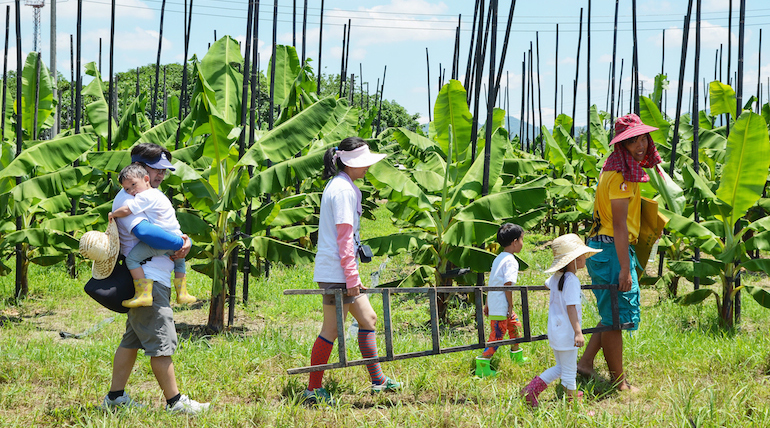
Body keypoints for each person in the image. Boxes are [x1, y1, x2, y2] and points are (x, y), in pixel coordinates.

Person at [101, 143, 210, 414]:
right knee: (162, 342)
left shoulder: (149, 195)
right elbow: (145, 233)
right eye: (157, 169)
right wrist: (179, 242)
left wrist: (184, 240)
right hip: (148, 279)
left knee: (132, 341)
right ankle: (176, 402)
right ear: (140, 168)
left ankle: (115, 398)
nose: (161, 175)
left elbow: (167, 227)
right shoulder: (127, 198)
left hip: (156, 275)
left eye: (164, 171)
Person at [303, 137, 401, 405]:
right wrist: (352, 279)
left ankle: (378, 381)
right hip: (338, 274)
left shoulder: (340, 185)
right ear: (348, 163)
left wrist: (353, 276)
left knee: (368, 319)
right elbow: (344, 240)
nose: (367, 168)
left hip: (341, 272)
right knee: (331, 330)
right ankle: (312, 390)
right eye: (363, 163)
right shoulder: (343, 191)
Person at [576, 113, 662, 392]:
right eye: (632, 141)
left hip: (607, 247)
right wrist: (625, 268)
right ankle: (619, 383)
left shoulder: (614, 170)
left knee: (611, 312)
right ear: (621, 145)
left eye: (642, 139)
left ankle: (586, 363)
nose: (640, 146)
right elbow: (621, 226)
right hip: (612, 248)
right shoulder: (621, 177)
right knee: (616, 318)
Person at [521, 233, 601, 407]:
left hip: (556, 330)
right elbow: (571, 307)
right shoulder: (571, 280)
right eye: (581, 256)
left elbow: (546, 283)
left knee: (561, 367)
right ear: (572, 260)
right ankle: (573, 407)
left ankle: (531, 390)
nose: (584, 259)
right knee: (569, 373)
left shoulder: (557, 276)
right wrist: (578, 332)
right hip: (567, 332)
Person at [109, 163, 196, 308]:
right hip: (175, 234)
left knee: (132, 260)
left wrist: (113, 214)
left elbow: (129, 214)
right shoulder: (158, 194)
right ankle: (182, 294)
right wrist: (183, 242)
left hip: (162, 242)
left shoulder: (145, 196)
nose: (131, 191)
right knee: (179, 261)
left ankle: (143, 294)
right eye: (127, 189)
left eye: (133, 185)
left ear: (146, 179)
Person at [475, 223, 528, 378]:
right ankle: (482, 364)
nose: (522, 243)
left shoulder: (499, 258)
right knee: (498, 335)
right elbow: (507, 284)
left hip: (496, 302)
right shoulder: (511, 260)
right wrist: (510, 305)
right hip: (501, 305)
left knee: (515, 326)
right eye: (522, 239)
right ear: (515, 242)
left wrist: (487, 303)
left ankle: (516, 355)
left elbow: (493, 281)